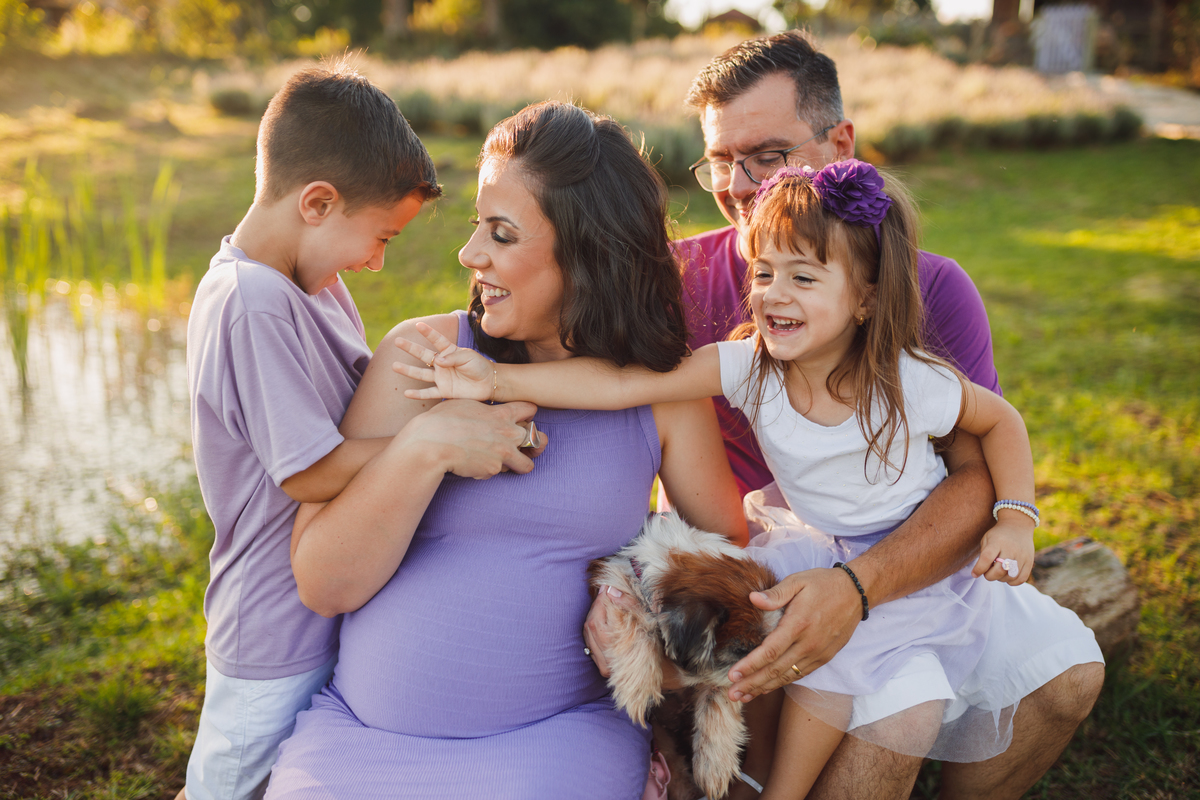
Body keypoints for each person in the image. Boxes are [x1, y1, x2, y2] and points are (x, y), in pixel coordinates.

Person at [395, 159, 1103, 799]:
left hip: (922, 569)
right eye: (762, 273)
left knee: (1036, 671)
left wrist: (1017, 516)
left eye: (803, 276)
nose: (772, 294)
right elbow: (623, 384)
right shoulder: (749, 366)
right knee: (822, 679)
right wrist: (498, 374)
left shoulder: (908, 383)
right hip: (825, 551)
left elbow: (1001, 422)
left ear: (863, 298)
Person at [264, 101, 748, 799]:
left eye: (502, 233)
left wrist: (632, 597)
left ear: (588, 251)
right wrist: (425, 446)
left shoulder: (660, 393)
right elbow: (324, 582)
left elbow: (725, 561)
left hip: (553, 744)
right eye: (476, 228)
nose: (469, 256)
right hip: (359, 741)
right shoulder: (421, 356)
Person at [671, 31, 1104, 798]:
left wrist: (861, 586)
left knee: (1066, 681)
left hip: (902, 560)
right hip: (753, 573)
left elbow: (974, 473)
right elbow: (585, 366)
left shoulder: (928, 290)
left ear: (841, 143)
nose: (739, 186)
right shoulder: (676, 280)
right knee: (895, 722)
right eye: (719, 161)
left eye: (767, 156)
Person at [179, 62, 515, 800]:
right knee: (233, 787)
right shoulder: (252, 303)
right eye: (380, 236)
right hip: (273, 629)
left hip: (323, 599)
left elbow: (361, 400)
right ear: (318, 203)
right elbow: (309, 471)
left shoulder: (314, 287)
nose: (376, 261)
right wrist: (444, 440)